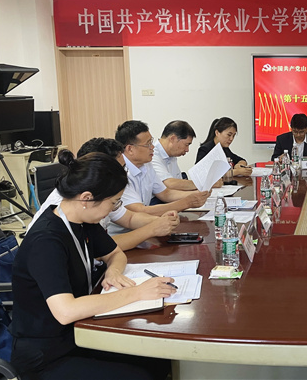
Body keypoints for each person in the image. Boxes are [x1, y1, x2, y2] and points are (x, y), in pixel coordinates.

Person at [11, 150, 174, 380]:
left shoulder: (83, 221)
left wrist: (113, 272)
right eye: (113, 202)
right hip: (46, 354)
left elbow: (116, 253)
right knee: (139, 376)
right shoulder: (46, 241)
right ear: (87, 198)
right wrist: (137, 293)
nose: (114, 209)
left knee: (159, 358)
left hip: (81, 332)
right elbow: (66, 311)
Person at [28, 138, 180, 251]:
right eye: (120, 168)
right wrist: (151, 229)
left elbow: (129, 218)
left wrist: (161, 222)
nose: (124, 174)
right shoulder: (72, 206)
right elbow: (101, 248)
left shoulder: (100, 194)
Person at [110, 121, 210, 227]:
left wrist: (198, 195)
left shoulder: (146, 165)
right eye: (148, 144)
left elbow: (166, 193)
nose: (152, 147)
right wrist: (187, 202)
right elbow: (140, 210)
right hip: (124, 232)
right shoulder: (119, 173)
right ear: (130, 149)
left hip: (146, 225)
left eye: (151, 142)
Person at [151, 120, 198, 191]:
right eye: (186, 144)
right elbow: (169, 184)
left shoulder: (171, 155)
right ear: (173, 139)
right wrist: (202, 184)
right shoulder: (152, 155)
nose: (187, 150)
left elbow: (179, 182)